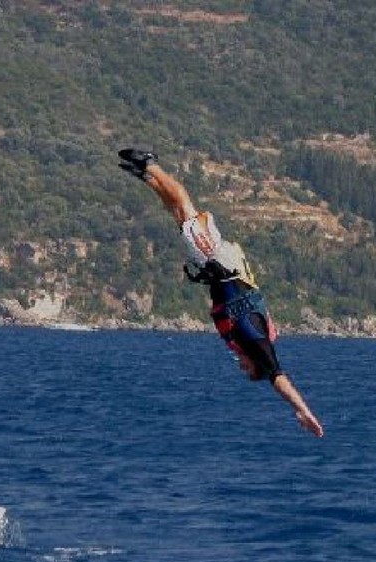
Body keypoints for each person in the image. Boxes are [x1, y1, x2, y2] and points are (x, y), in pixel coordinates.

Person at [118, 148, 324, 437]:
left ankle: (147, 177)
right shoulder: (259, 345)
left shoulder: (246, 343)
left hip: (218, 267)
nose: (241, 367)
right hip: (222, 263)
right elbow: (279, 380)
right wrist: (302, 410)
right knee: (186, 208)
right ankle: (151, 164)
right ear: (257, 365)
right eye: (247, 370)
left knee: (180, 218)